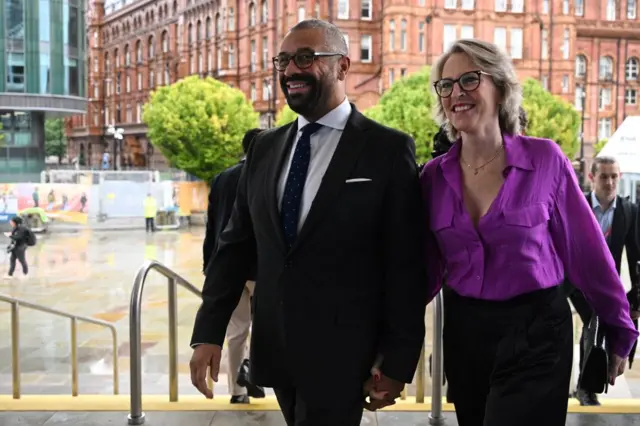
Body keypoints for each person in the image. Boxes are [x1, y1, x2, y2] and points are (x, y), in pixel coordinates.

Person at [189, 18, 427, 426]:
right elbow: (236, 246)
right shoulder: (265, 148)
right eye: (283, 60)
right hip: (276, 349)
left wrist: (399, 360)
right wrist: (208, 331)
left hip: (346, 353)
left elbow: (405, 263)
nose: (290, 71)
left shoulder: (387, 149)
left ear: (343, 66)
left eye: (305, 58)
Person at [420, 39, 638, 426]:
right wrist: (386, 342)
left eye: (470, 79)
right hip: (465, 335)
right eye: (447, 85)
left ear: (501, 87)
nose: (457, 93)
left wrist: (621, 328)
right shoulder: (432, 178)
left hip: (537, 333)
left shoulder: (546, 159)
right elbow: (421, 271)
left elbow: (588, 254)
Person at [563, 156, 640, 406]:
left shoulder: (628, 211)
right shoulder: (578, 205)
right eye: (604, 176)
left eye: (614, 176)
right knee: (591, 324)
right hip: (574, 281)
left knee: (595, 325)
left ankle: (586, 385)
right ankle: (584, 386)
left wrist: (635, 296)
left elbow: (635, 254)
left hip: (606, 283)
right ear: (592, 178)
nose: (610, 182)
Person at [202, 127, 265, 404]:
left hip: (227, 268)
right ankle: (251, 369)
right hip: (261, 268)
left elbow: (211, 226)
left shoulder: (221, 179)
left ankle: (238, 393)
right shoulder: (265, 177)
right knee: (266, 325)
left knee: (236, 330)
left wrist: (210, 265)